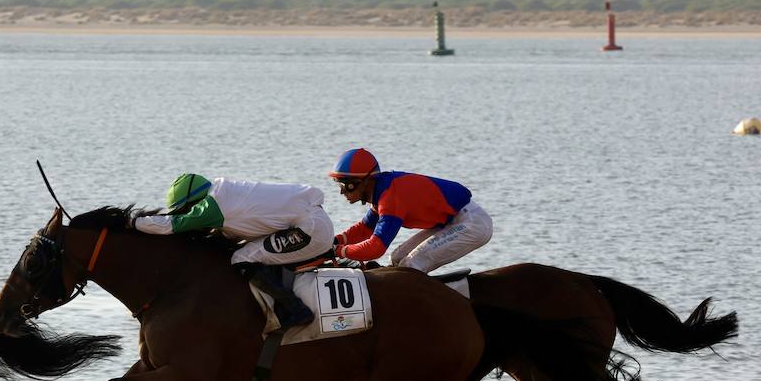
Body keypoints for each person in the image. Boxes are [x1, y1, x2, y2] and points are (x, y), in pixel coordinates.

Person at [130, 173, 334, 328]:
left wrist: (131, 221)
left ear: (194, 201)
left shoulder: (212, 207)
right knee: (248, 251)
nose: (190, 214)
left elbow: (170, 224)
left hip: (310, 231)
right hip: (311, 220)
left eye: (187, 210)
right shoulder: (223, 193)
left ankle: (296, 310)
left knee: (242, 258)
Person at [327, 148, 491, 273]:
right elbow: (364, 229)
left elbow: (375, 248)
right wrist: (332, 242)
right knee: (396, 259)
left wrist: (339, 251)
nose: (342, 192)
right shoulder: (381, 191)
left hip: (472, 224)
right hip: (452, 221)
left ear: (367, 180)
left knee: (410, 265)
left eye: (346, 184)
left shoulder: (390, 198)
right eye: (339, 184)